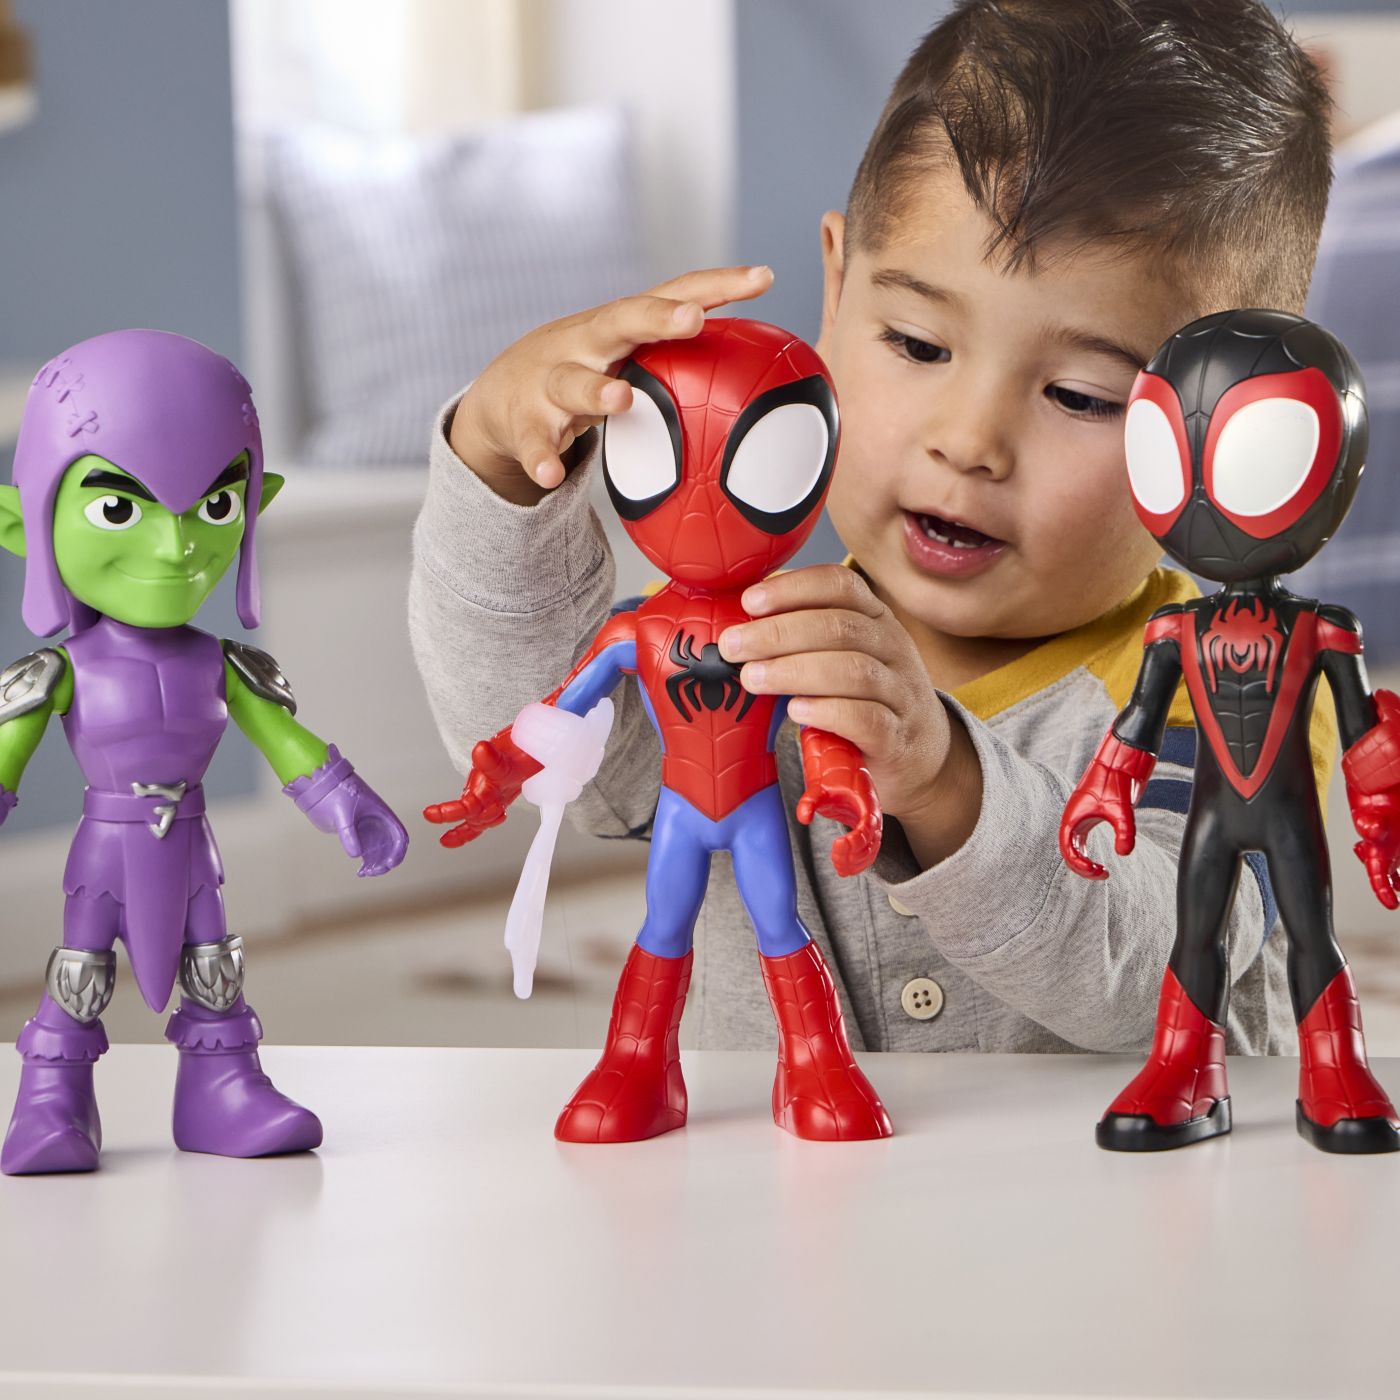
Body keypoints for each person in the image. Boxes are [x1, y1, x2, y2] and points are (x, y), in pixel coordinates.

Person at [409, 0, 1337, 1071]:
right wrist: (497, 467)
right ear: (837, 287)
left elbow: (1164, 975)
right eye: (916, 343)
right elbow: (532, 746)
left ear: (1228, 423)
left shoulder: (1230, 691)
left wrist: (947, 783)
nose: (968, 441)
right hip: (777, 1177)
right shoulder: (754, 645)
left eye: (1082, 395)